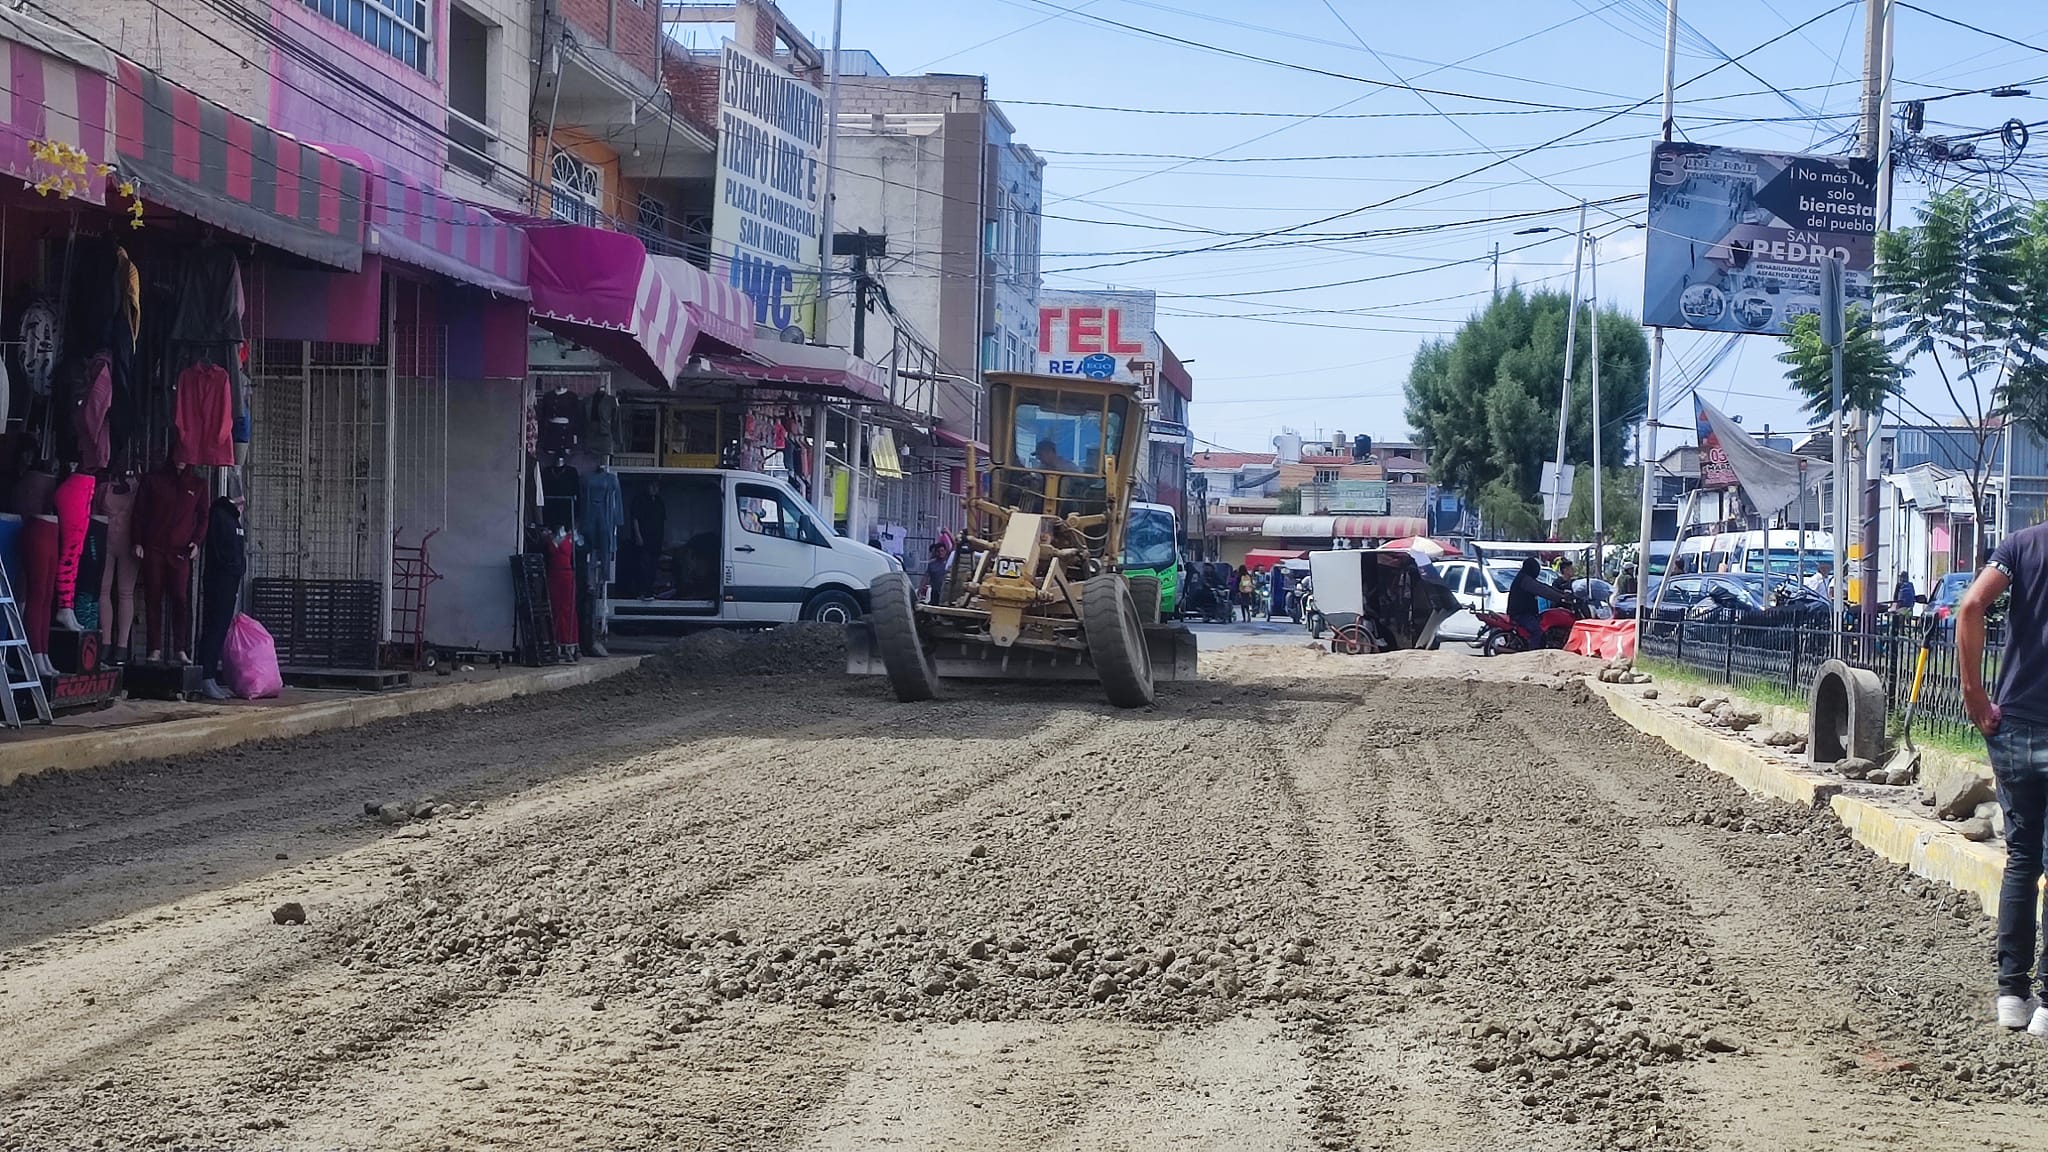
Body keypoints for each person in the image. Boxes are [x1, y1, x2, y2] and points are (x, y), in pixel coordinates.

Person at [1961, 523, 2048, 1034]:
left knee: (2023, 858)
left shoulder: (2022, 545)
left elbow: (1971, 605)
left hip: (2015, 725)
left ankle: (2011, 996)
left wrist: (1973, 693)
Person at [1507, 555, 1576, 646]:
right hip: (1521, 615)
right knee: (1538, 631)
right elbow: (1542, 590)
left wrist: (1562, 593)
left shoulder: (1526, 578)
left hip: (1526, 613)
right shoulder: (1525, 580)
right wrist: (1559, 597)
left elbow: (1544, 586)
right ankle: (1534, 654)